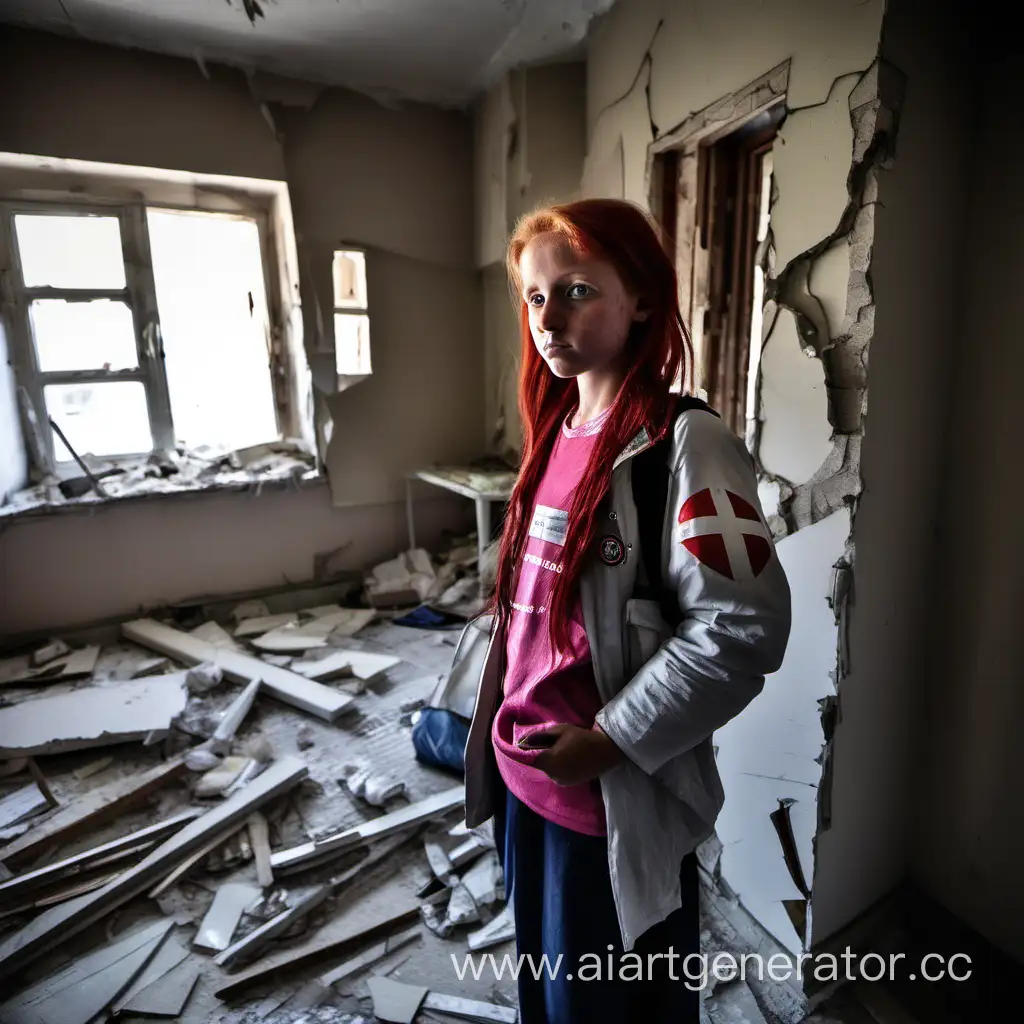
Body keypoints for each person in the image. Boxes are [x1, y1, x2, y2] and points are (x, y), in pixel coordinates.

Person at [458, 198, 792, 1023]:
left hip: (605, 799)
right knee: (549, 994)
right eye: (534, 297)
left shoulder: (682, 443)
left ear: (641, 297)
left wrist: (607, 740)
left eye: (574, 291)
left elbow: (739, 630)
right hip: (526, 784)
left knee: (616, 1008)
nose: (547, 317)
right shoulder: (556, 431)